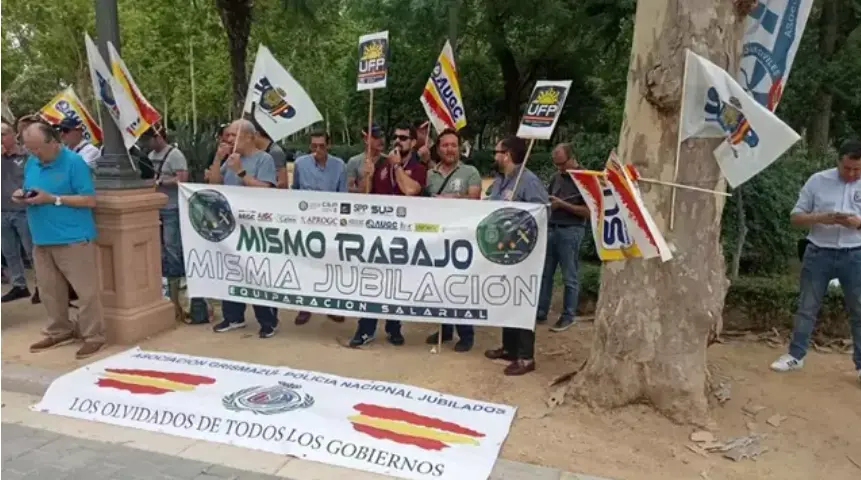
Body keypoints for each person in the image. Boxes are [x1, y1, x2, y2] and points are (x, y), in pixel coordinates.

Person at [771, 140, 861, 384]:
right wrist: (823, 218)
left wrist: (857, 223)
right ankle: (795, 356)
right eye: (847, 168)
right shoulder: (818, 180)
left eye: (857, 169)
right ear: (838, 161)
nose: (852, 173)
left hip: (855, 254)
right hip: (818, 252)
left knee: (859, 310)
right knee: (807, 307)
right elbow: (796, 217)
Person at [16, 123, 105, 359]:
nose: (35, 154)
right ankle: (59, 330)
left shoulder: (75, 163)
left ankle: (93, 336)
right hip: (41, 237)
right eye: (30, 148)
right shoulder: (32, 163)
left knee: (85, 292)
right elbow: (31, 188)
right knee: (49, 291)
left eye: (38, 148)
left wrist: (52, 199)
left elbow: (89, 200)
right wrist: (22, 195)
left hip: (73, 238)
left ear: (54, 142)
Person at [349, 123, 427, 348]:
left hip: (404, 237)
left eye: (403, 137)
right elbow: (366, 194)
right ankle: (366, 329)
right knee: (372, 281)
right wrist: (369, 176)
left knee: (396, 284)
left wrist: (397, 168)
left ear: (413, 142)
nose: (398, 141)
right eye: (396, 137)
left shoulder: (418, 167)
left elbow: (411, 191)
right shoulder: (380, 163)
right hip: (377, 234)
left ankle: (394, 328)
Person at [207, 119, 280, 338]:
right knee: (231, 271)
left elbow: (266, 189)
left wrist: (240, 172)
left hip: (255, 227)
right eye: (227, 135)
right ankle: (233, 316)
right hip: (230, 225)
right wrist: (219, 158)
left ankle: (267, 320)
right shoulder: (230, 159)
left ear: (248, 136)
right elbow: (213, 184)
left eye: (232, 135)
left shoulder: (264, 159)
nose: (228, 139)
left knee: (257, 274)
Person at [483, 136, 549, 376]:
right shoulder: (502, 180)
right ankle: (510, 347)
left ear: (507, 154)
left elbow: (543, 211)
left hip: (523, 253)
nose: (495, 156)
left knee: (522, 299)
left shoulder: (528, 181)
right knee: (508, 299)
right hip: (504, 250)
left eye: (497, 151)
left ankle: (525, 356)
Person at [422, 128, 482, 352]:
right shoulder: (430, 175)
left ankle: (466, 334)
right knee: (440, 284)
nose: (450, 149)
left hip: (462, 239)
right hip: (437, 238)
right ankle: (445, 329)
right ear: (438, 149)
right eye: (445, 145)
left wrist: (452, 198)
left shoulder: (470, 172)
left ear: (459, 148)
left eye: (454, 145)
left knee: (459, 286)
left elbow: (475, 199)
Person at [291, 131, 347, 326]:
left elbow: (343, 196)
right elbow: (295, 191)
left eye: (321, 146)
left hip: (331, 223)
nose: (317, 150)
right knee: (306, 264)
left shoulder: (339, 165)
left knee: (331, 265)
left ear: (328, 145)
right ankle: (305, 306)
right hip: (307, 223)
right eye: (314, 146)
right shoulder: (300, 164)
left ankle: (332, 306)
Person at [142, 123, 192, 321]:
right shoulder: (150, 156)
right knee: (160, 248)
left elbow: (182, 179)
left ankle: (177, 283)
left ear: (159, 137)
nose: (148, 144)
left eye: (150, 139)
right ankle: (165, 284)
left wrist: (160, 182)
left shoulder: (175, 155)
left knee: (172, 246)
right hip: (156, 208)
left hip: (172, 207)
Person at [537, 143, 589, 332]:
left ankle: (568, 315)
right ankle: (541, 311)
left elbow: (588, 212)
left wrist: (563, 205)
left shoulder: (584, 179)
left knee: (569, 275)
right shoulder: (555, 177)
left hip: (571, 230)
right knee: (546, 273)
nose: (559, 169)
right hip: (552, 228)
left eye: (562, 164)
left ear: (571, 158)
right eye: (556, 165)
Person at [1, 121, 36, 303]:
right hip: (2, 211)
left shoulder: (26, 156)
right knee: (9, 252)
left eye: (2, 134)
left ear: (12, 135)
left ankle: (41, 286)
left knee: (32, 251)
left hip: (24, 211)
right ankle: (19, 285)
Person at [249, 117, 289, 189]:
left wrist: (265, 185)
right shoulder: (257, 151)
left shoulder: (275, 152)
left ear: (256, 134)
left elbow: (282, 182)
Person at [345, 124, 384, 193]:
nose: (381, 140)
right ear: (366, 139)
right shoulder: (354, 161)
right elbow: (348, 189)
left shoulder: (389, 160)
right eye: (376, 137)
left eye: (381, 136)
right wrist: (367, 177)